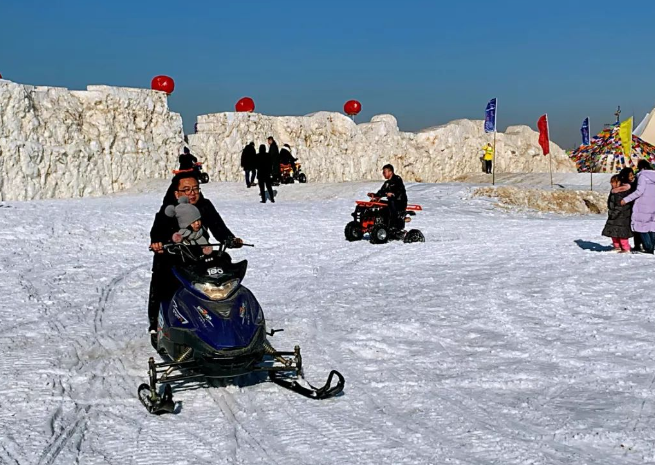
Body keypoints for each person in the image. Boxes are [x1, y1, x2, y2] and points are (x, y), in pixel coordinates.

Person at [147, 173, 243, 332]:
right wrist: (158, 243)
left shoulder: (205, 206)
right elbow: (158, 230)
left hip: (200, 254)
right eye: (186, 190)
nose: (192, 193)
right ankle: (157, 325)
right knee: (162, 281)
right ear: (177, 193)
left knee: (223, 269)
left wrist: (230, 239)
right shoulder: (169, 209)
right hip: (173, 256)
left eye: (195, 189)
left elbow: (218, 227)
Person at [621, 160, 655, 254]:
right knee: (652, 226)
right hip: (653, 205)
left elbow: (639, 191)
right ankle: (652, 246)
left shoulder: (642, 176)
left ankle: (649, 247)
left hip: (643, 205)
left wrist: (626, 199)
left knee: (641, 227)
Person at [367, 164, 407, 231]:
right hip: (391, 202)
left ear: (390, 172)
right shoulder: (387, 183)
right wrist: (375, 195)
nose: (383, 174)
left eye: (384, 172)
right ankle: (372, 221)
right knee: (376, 203)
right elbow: (382, 192)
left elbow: (399, 190)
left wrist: (393, 194)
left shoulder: (397, 179)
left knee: (391, 203)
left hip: (399, 202)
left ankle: (393, 225)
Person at [601, 175, 632, 253]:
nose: (612, 184)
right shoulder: (613, 191)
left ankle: (625, 248)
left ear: (619, 182)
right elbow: (611, 202)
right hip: (613, 215)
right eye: (611, 182)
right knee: (613, 233)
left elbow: (621, 205)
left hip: (622, 216)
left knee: (622, 233)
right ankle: (617, 246)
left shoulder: (622, 192)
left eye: (613, 182)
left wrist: (614, 213)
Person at [618, 167, 643, 251]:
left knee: (637, 228)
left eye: (633, 175)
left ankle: (638, 244)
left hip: (636, 209)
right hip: (627, 210)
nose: (632, 177)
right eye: (630, 175)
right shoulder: (623, 187)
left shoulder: (636, 184)